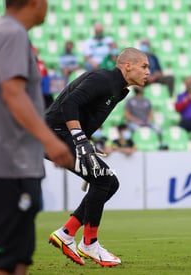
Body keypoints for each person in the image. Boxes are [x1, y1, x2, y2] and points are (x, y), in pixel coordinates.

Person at [0, 1, 74, 274]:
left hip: (7, 157)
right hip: (8, 160)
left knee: (18, 256)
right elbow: (13, 94)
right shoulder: (11, 34)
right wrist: (50, 141)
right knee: (5, 257)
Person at [46, 47, 149, 267]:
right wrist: (80, 141)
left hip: (65, 136)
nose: (148, 72)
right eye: (144, 66)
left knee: (109, 183)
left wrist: (85, 142)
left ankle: (66, 233)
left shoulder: (120, 90)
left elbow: (85, 113)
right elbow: (68, 104)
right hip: (54, 135)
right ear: (128, 66)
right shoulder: (103, 79)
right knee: (103, 179)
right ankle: (89, 243)